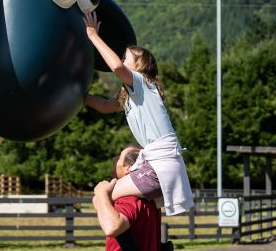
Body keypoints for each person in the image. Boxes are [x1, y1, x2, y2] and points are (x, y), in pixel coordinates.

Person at [83, 12, 194, 216]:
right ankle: (151, 245)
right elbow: (105, 106)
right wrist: (80, 96)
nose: (121, 60)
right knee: (120, 201)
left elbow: (115, 66)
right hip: (161, 166)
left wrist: (93, 36)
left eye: (126, 58)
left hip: (159, 167)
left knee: (102, 196)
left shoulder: (143, 84)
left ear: (138, 67)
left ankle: (130, 243)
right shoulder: (133, 96)